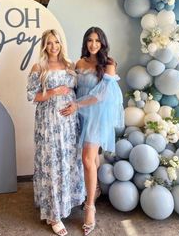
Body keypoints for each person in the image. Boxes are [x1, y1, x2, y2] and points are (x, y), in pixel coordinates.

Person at [60, 27, 124, 236]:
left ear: (103, 42)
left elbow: (102, 95)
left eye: (97, 40)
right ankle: (94, 190)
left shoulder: (109, 64)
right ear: (85, 42)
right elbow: (72, 86)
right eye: (89, 40)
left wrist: (77, 105)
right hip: (79, 115)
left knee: (87, 159)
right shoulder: (79, 63)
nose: (93, 44)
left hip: (96, 116)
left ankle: (90, 208)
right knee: (91, 158)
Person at [27, 29, 85, 236]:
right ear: (44, 46)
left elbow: (77, 91)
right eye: (49, 43)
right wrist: (52, 92)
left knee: (67, 163)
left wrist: (74, 105)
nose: (54, 46)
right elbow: (31, 96)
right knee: (51, 165)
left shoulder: (70, 66)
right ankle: (53, 215)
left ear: (61, 44)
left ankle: (65, 203)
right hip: (48, 124)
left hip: (69, 125)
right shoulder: (39, 67)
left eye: (57, 42)